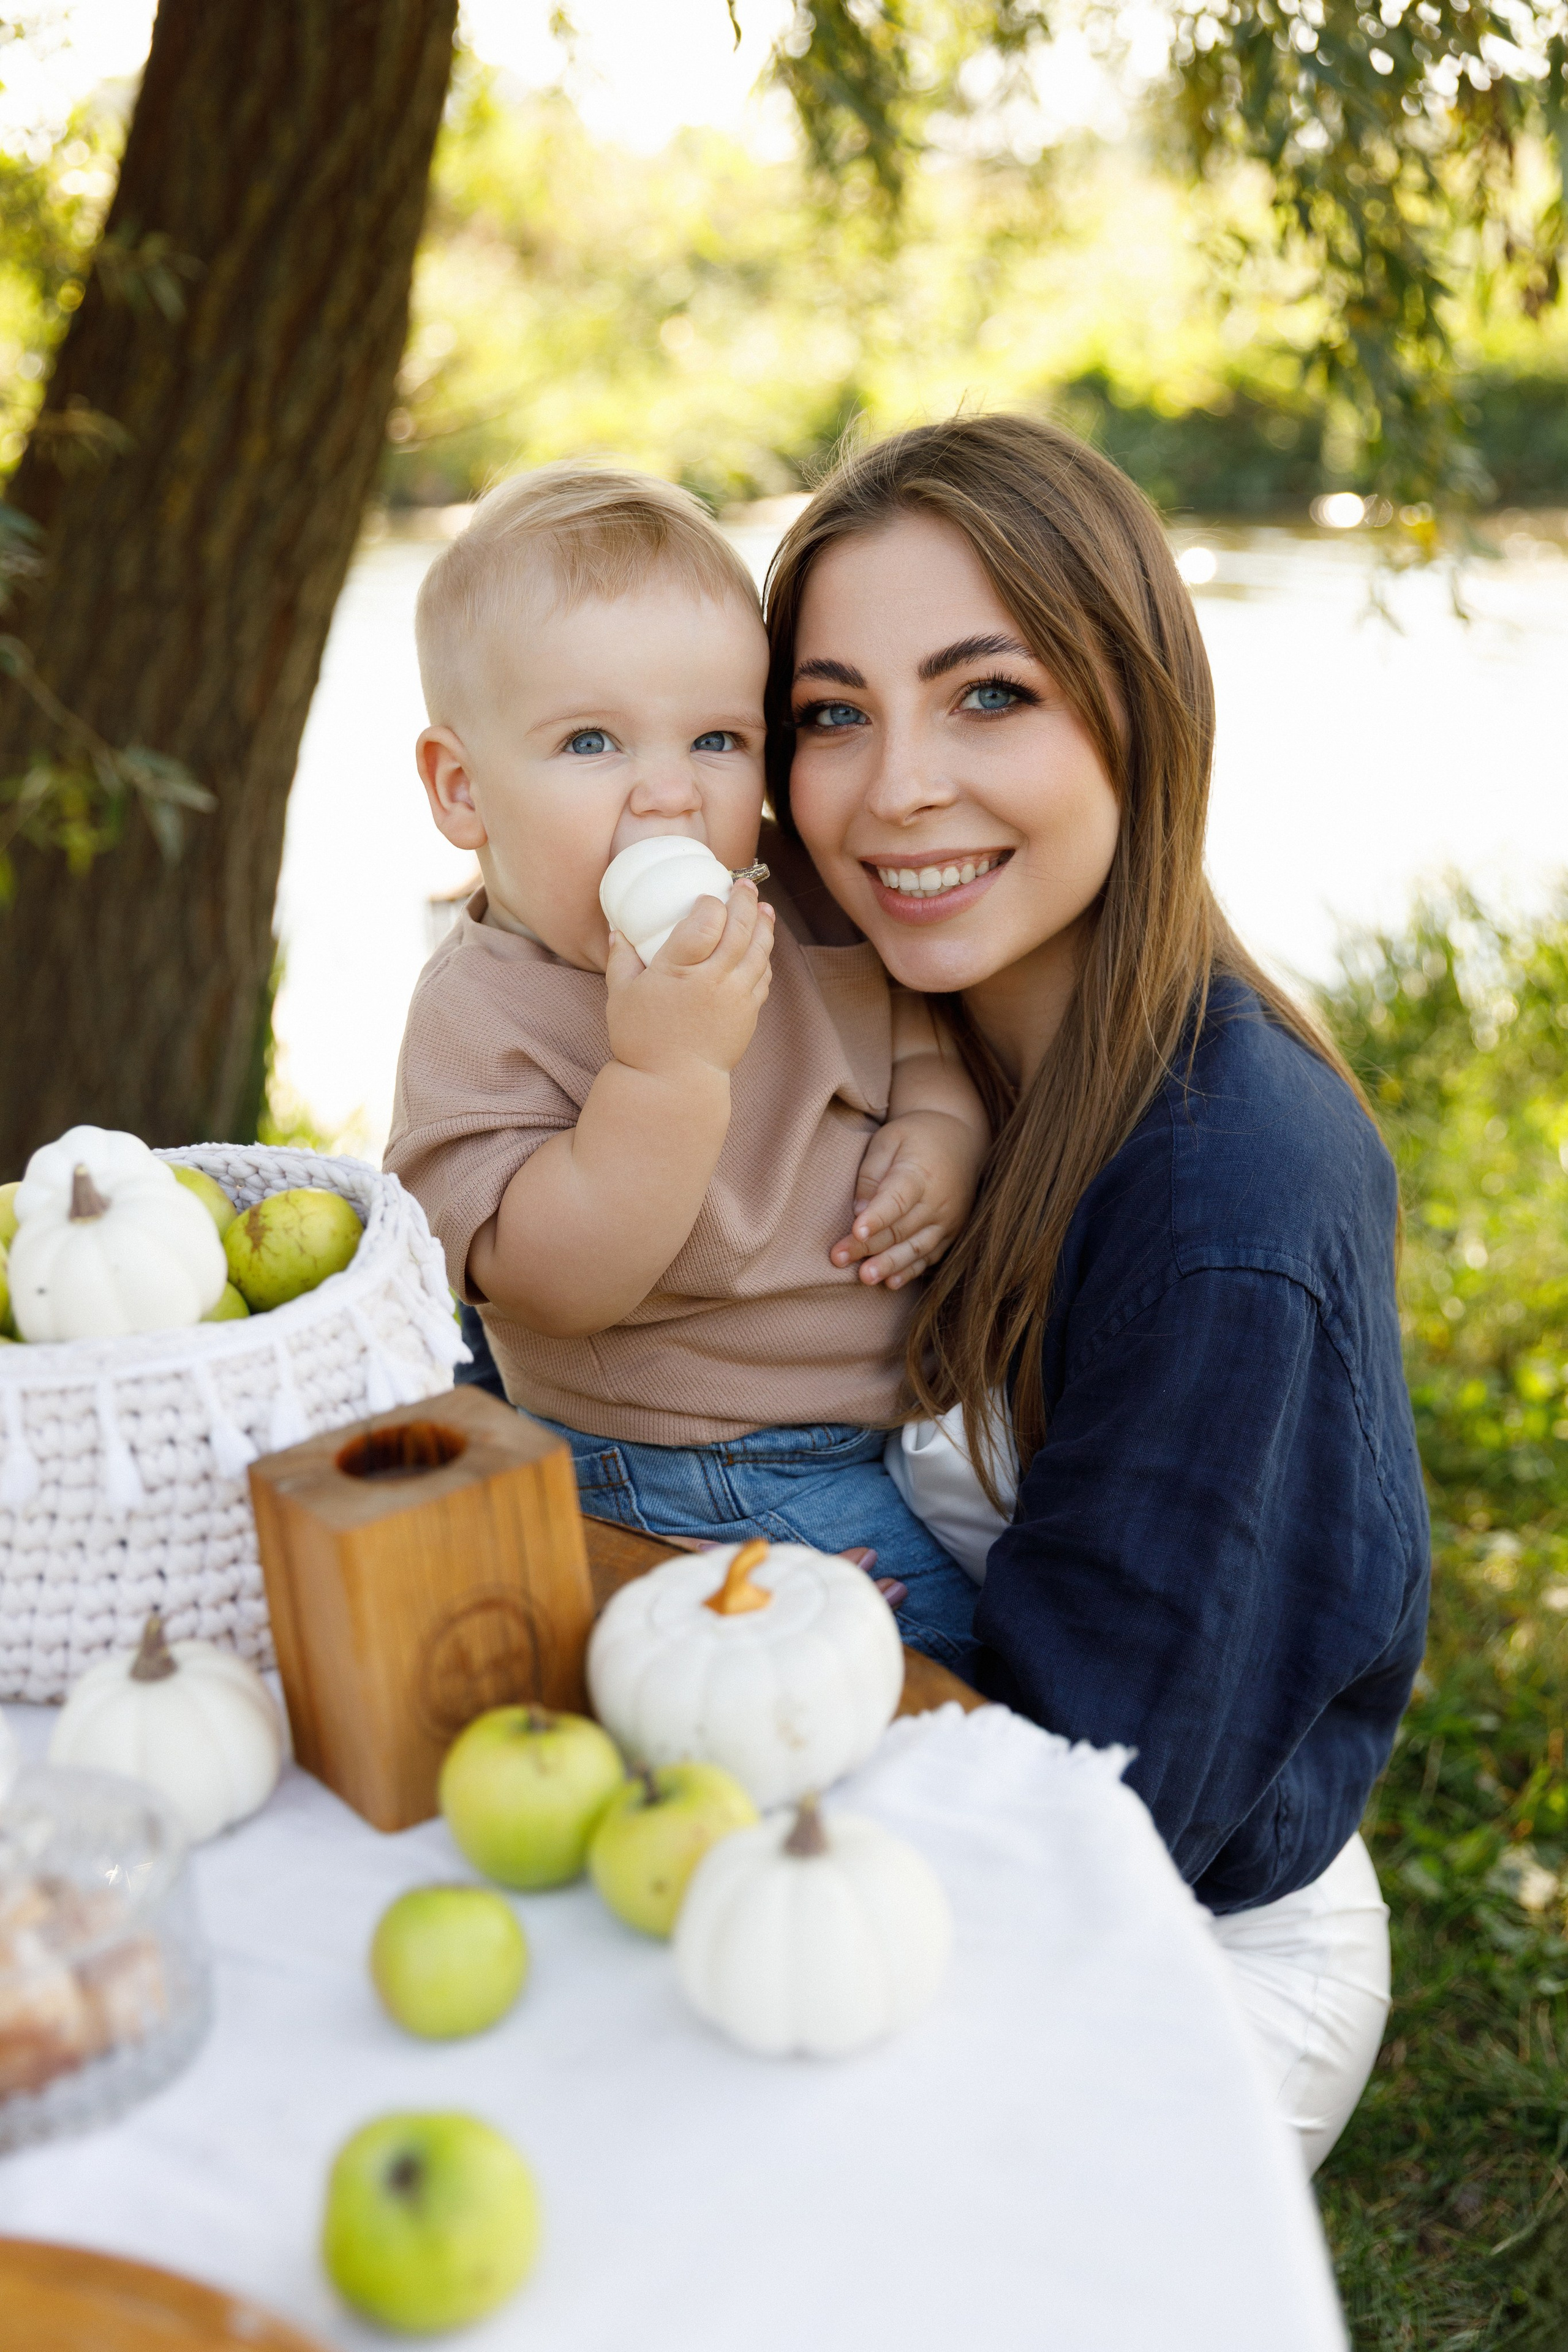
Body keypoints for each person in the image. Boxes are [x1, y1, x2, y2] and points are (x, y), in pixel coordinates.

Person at [763, 413, 1430, 2172]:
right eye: (834, 713)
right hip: (904, 1794)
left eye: (989, 694)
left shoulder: (1232, 1202)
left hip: (1174, 1928)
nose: (896, 784)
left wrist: (763, 1634)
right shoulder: (872, 1051)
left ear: (1140, 709)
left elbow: (1106, 1804)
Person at [384, 464, 986, 1651]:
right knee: (959, 1668)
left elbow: (917, 1025)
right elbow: (547, 1285)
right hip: (682, 1464)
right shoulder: (482, 1014)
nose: (669, 796)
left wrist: (939, 1131)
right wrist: (667, 1074)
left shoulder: (795, 891)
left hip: (884, 1420)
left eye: (715, 739)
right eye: (591, 741)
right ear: (463, 791)